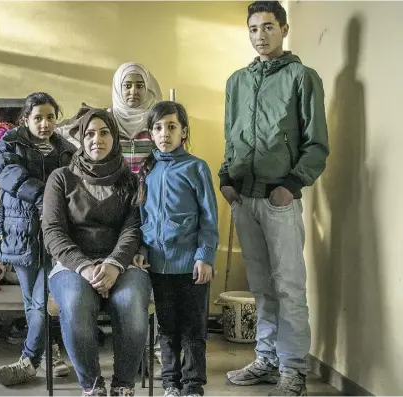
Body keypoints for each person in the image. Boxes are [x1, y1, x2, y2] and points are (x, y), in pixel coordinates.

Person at [219, 2, 329, 396]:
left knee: (289, 288)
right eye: (253, 29)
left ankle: (293, 370)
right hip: (244, 201)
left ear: (283, 29)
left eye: (268, 27)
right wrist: (226, 178)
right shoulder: (236, 81)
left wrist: (292, 184)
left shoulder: (303, 78)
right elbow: (232, 136)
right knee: (261, 286)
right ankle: (266, 359)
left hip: (279, 200)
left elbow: (316, 144)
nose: (260, 35)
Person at [43, 109, 151, 397]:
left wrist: (114, 265)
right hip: (72, 265)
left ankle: (123, 385)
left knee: (131, 304)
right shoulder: (61, 178)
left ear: (114, 138)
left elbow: (133, 228)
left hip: (122, 263)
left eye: (104, 132)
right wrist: (85, 268)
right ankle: (92, 386)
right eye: (89, 133)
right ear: (80, 138)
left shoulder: (130, 180)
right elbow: (53, 232)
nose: (96, 139)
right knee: (77, 303)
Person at [0, 92, 76, 386]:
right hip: (22, 232)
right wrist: (48, 198)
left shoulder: (66, 149)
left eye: (50, 117)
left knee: (48, 299)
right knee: (33, 301)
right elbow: (10, 177)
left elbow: (75, 184)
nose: (44, 123)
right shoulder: (9, 144)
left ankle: (30, 358)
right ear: (26, 118)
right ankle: (47, 352)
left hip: (55, 233)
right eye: (38, 117)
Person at [138, 101, 219, 397]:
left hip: (191, 266)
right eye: (158, 128)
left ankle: (193, 384)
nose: (165, 134)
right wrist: (144, 252)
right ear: (150, 133)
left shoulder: (196, 168)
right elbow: (144, 220)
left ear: (183, 131)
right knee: (168, 328)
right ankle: (170, 383)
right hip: (159, 266)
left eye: (171, 127)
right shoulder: (148, 171)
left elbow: (209, 217)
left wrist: (205, 256)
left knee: (193, 329)